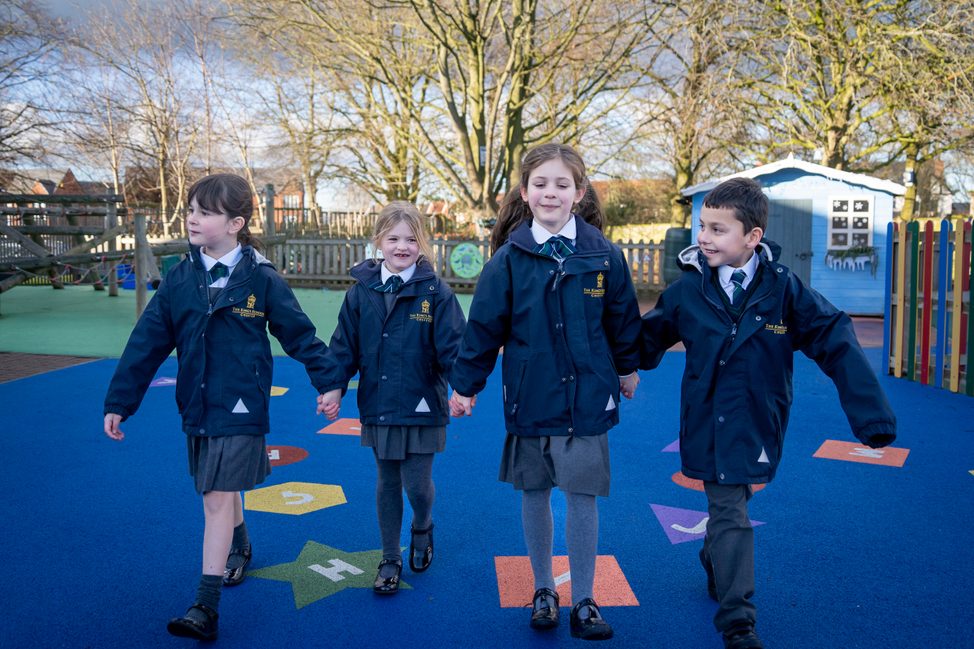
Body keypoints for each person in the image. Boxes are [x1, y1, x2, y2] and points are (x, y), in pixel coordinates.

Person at [640, 177, 897, 649]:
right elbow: (642, 341)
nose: (704, 238)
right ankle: (738, 622)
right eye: (702, 226)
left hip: (759, 419)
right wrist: (612, 365)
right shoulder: (686, 292)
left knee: (733, 506)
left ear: (752, 237)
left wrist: (870, 416)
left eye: (718, 230)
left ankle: (716, 553)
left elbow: (836, 339)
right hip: (708, 420)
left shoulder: (783, 291)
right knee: (729, 508)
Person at [103, 173, 344, 641]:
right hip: (196, 401)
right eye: (191, 209)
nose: (192, 218)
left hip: (242, 405)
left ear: (236, 223)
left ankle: (204, 607)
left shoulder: (262, 279)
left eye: (205, 212)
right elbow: (146, 343)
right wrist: (120, 400)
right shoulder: (181, 277)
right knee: (215, 488)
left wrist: (330, 381)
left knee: (215, 495)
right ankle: (241, 544)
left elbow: (299, 335)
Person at [450, 143, 641, 640]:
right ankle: (542, 590)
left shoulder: (603, 254)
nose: (550, 193)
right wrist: (466, 387)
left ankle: (583, 599)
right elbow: (483, 328)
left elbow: (622, 320)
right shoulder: (509, 259)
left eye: (561, 184)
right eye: (540, 184)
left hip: (588, 399)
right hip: (531, 396)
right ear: (524, 191)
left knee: (582, 496)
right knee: (535, 493)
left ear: (579, 192)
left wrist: (627, 369)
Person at [324, 201, 465, 595]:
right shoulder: (360, 293)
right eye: (393, 238)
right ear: (378, 242)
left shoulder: (436, 293)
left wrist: (462, 387)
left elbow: (454, 347)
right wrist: (333, 386)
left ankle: (422, 525)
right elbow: (343, 348)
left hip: (422, 403)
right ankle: (389, 556)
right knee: (387, 480)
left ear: (423, 244)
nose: (402, 247)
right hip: (380, 403)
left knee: (418, 485)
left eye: (411, 239)